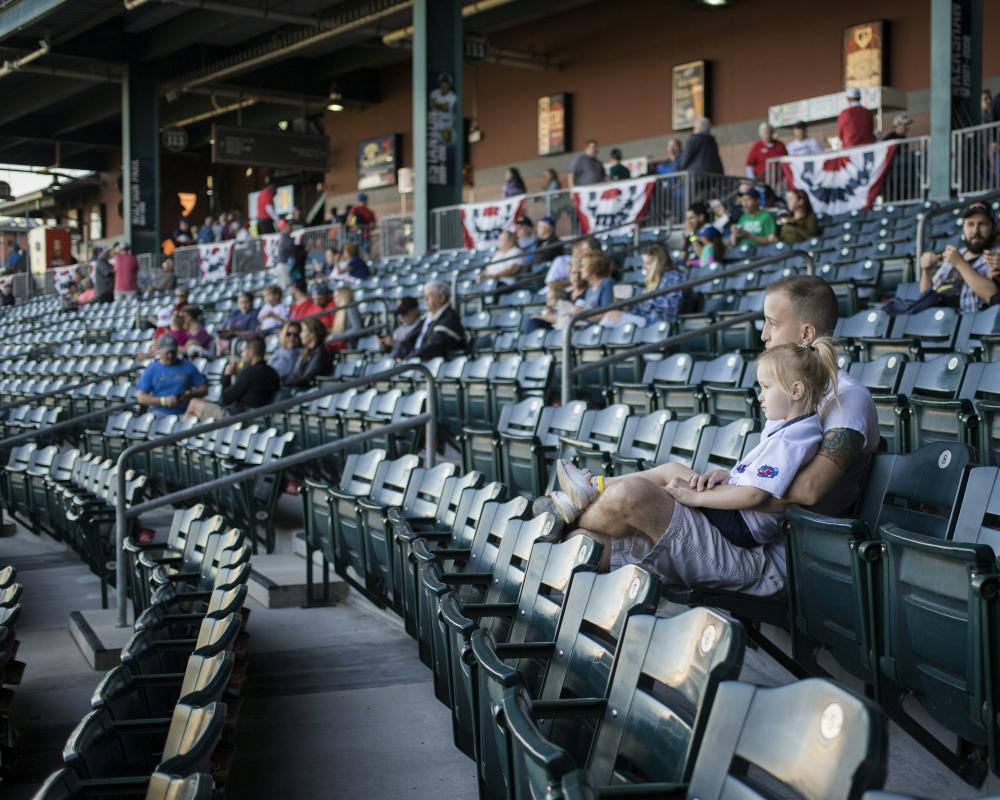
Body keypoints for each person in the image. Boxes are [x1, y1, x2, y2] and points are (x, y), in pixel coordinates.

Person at [535, 275, 879, 596]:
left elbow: (807, 490)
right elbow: (775, 471)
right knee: (585, 542)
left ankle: (563, 514)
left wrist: (715, 494)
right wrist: (728, 479)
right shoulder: (796, 394)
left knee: (634, 495)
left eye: (772, 323)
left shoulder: (845, 397)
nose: (764, 335)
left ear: (805, 334)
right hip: (740, 528)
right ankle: (582, 501)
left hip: (768, 555)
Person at [919, 200, 1000, 312]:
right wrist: (926, 271)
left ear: (994, 228)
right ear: (963, 228)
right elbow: (927, 297)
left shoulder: (997, 256)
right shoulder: (956, 253)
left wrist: (959, 263)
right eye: (970, 224)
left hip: (969, 322)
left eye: (982, 224)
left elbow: (991, 295)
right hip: (938, 320)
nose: (975, 231)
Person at [185, 337, 280, 420]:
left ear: (251, 352)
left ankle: (179, 439)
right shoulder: (273, 372)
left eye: (243, 351)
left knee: (193, 403)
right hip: (259, 418)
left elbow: (225, 399)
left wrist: (227, 375)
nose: (241, 354)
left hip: (238, 418)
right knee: (201, 406)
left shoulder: (249, 372)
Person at [135, 334, 208, 416]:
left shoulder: (188, 366)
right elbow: (141, 397)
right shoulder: (151, 369)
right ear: (159, 350)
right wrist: (163, 401)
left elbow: (203, 388)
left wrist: (191, 394)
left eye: (173, 352)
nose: (170, 356)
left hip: (186, 411)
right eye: (167, 352)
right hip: (160, 412)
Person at [397, 281, 466, 361]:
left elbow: (433, 346)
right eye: (425, 297)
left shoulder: (449, 317)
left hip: (432, 364)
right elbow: (408, 341)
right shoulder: (428, 317)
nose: (425, 301)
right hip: (417, 361)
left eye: (428, 297)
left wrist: (408, 360)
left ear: (441, 298)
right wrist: (397, 357)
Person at [631, 244, 686, 325]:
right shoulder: (654, 280)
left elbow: (672, 305)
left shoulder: (673, 276)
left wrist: (647, 298)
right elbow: (644, 307)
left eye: (648, 263)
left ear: (658, 263)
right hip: (645, 319)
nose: (644, 267)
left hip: (661, 322)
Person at [284, 317, 333, 390]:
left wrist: (286, 383)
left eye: (303, 331)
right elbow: (295, 375)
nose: (300, 335)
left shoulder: (320, 352)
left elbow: (308, 378)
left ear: (313, 333)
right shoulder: (306, 351)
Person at [579, 251, 616, 321]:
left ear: (593, 268)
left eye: (583, 266)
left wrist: (582, 317)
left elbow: (608, 314)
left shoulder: (607, 283)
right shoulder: (589, 290)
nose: (580, 270)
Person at [329, 286, 363, 351]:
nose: (334, 299)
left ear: (343, 296)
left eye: (336, 296)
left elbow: (357, 329)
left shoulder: (351, 308)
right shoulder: (340, 310)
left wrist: (336, 336)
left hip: (351, 346)